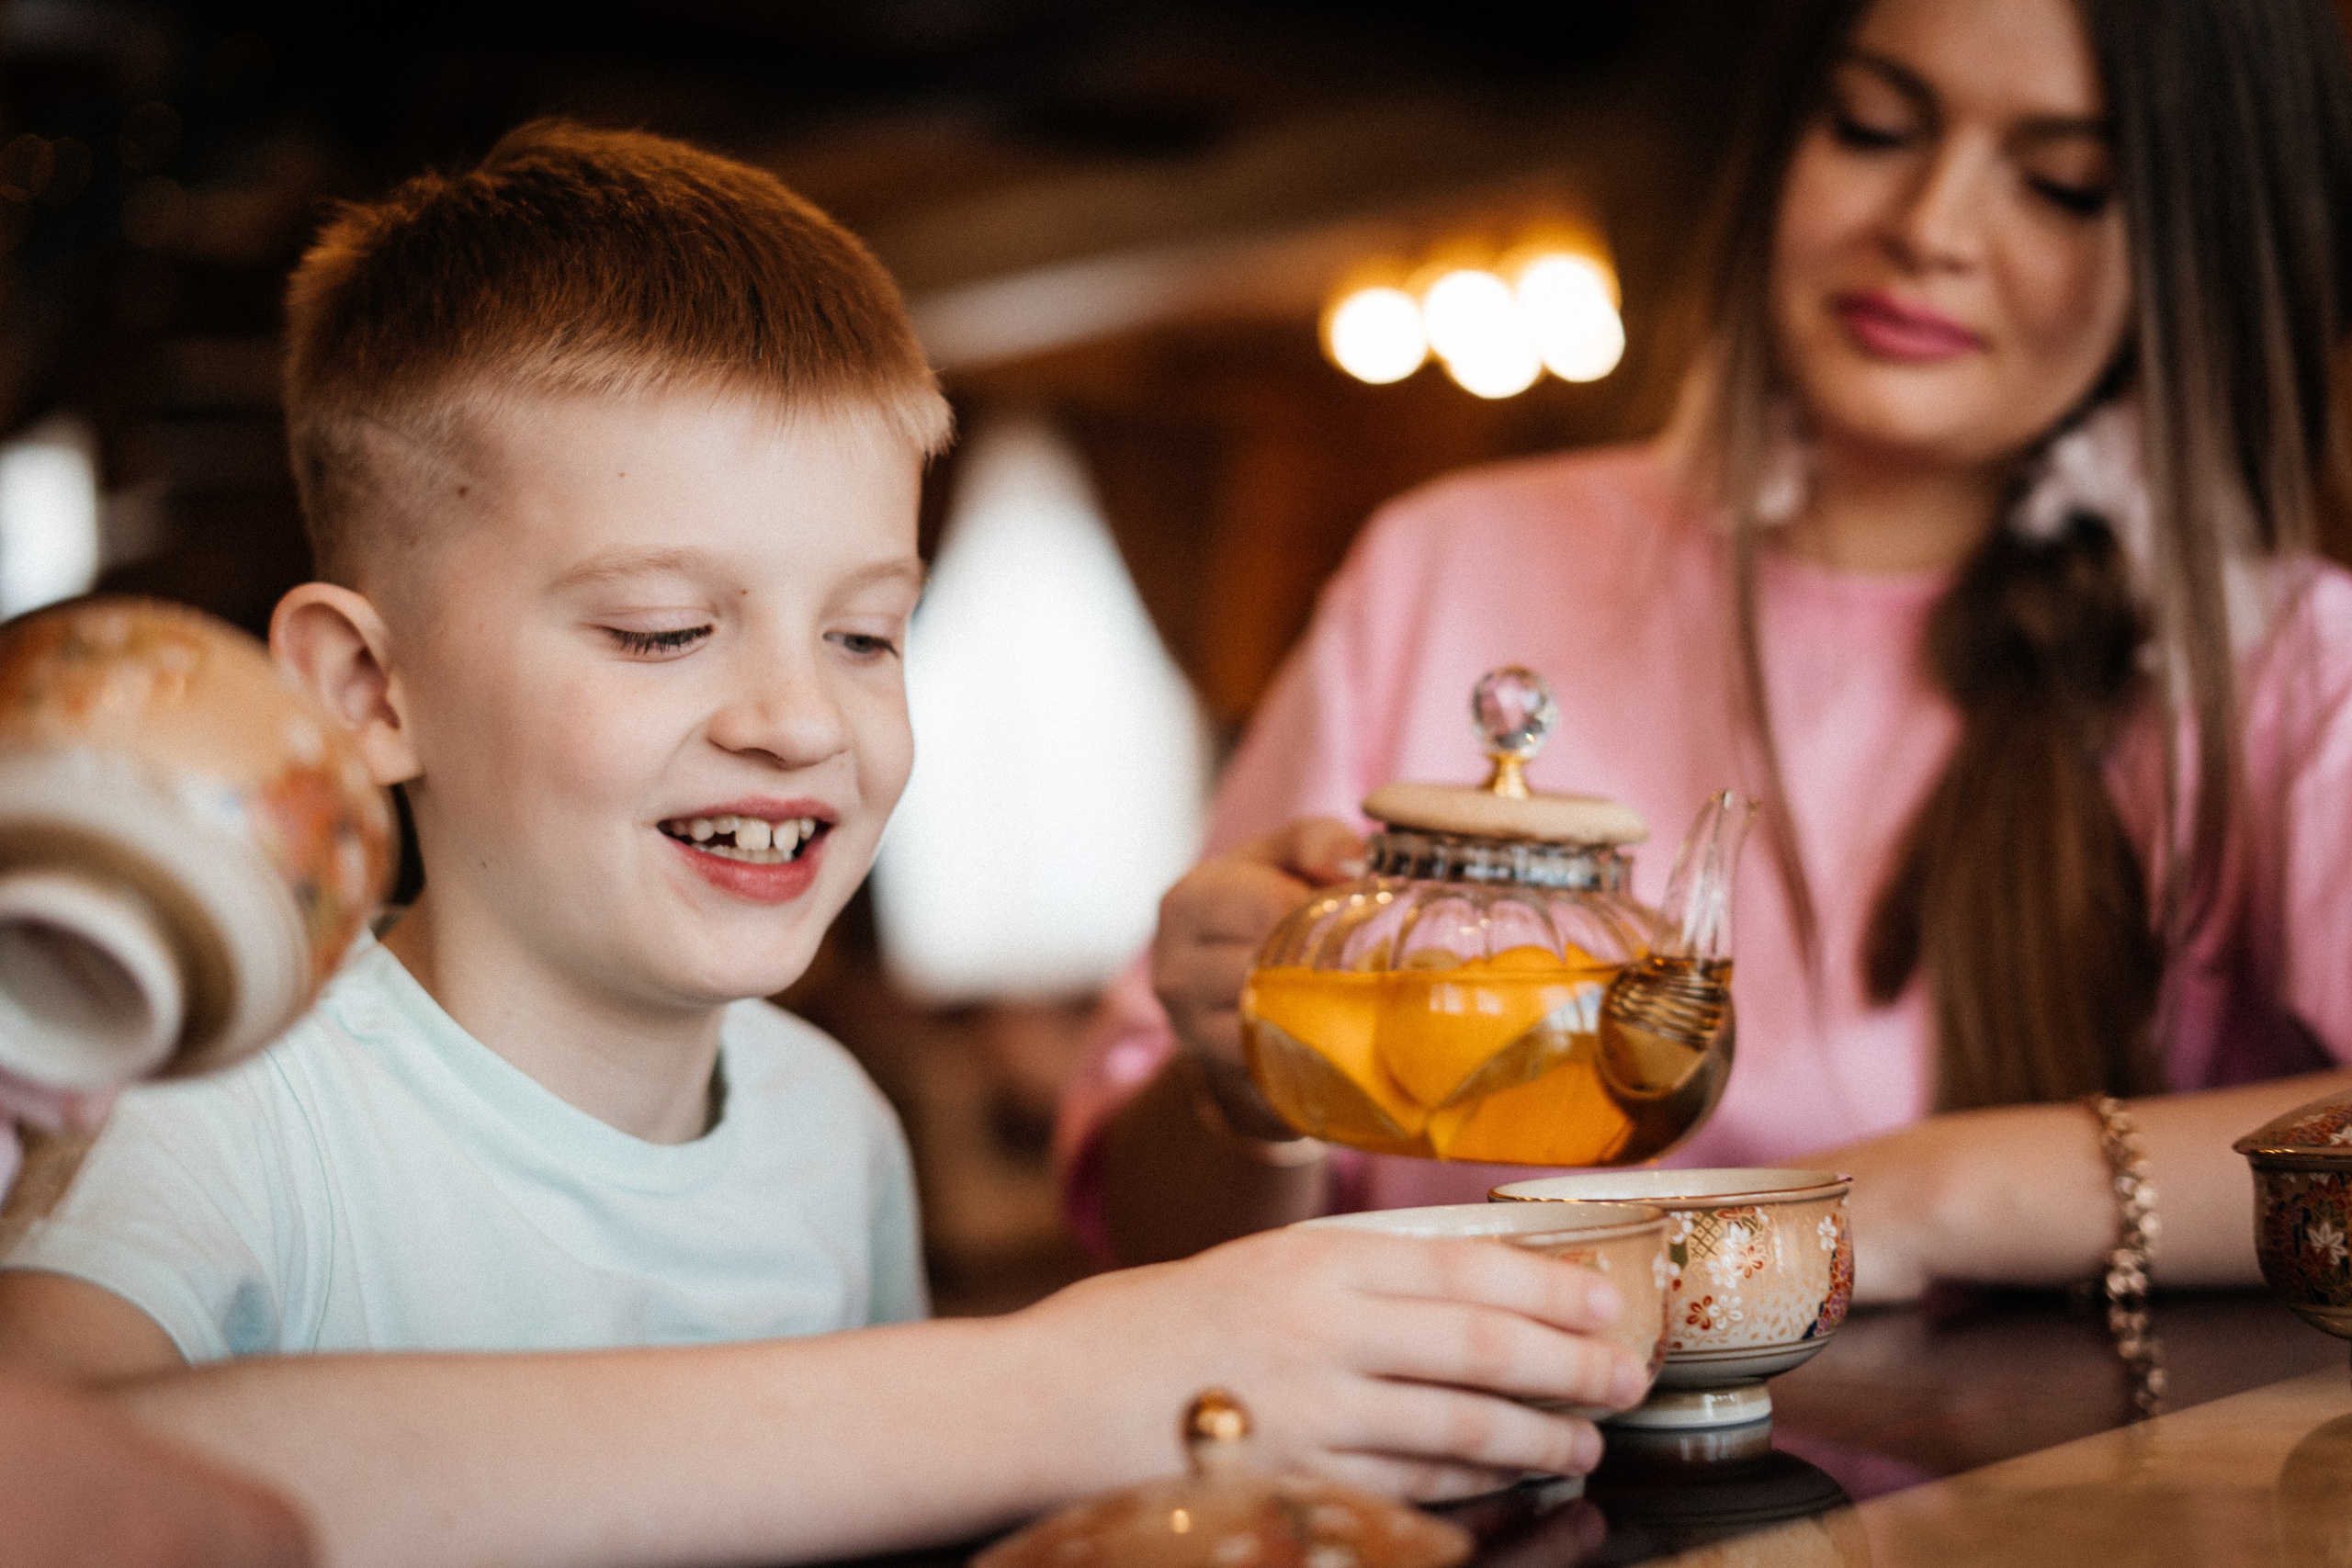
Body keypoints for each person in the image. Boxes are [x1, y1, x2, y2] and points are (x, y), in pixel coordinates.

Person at [0, 124, 1648, 1563]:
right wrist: (1070, 1381)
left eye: (868, 637)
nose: (800, 719)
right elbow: (86, 1496)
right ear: (367, 692)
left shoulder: (829, 1128)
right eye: (661, 630)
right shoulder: (217, 1119)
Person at [1064, 0, 2352, 1303]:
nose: (1932, 228)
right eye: (1872, 126)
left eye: (2070, 185)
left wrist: (1925, 1200)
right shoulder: (1444, 560)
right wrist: (1243, 1090)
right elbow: (1155, 1252)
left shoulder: (2279, 660)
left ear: (2200, 250)